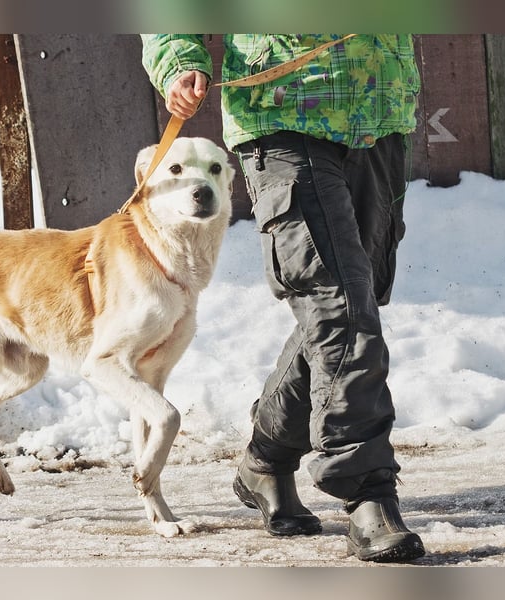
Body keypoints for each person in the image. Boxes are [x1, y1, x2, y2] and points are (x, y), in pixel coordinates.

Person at [141, 34, 426, 563]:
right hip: (284, 112)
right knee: (338, 305)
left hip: (380, 112)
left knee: (348, 308)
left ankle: (266, 459)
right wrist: (180, 61)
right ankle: (367, 493)